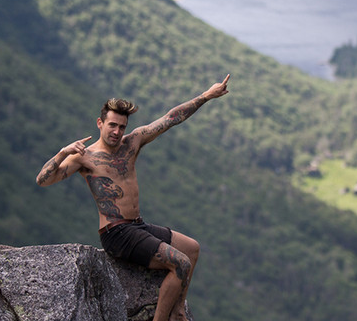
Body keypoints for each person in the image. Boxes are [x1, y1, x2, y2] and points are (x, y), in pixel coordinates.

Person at [36, 74, 231, 321]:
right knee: (180, 263)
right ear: (100, 123)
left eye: (121, 127)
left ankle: (178, 312)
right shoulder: (84, 157)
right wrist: (63, 152)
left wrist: (206, 96)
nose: (117, 131)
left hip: (137, 226)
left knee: (192, 249)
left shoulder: (132, 143)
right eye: (112, 125)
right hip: (116, 233)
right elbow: (43, 180)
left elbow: (171, 118)